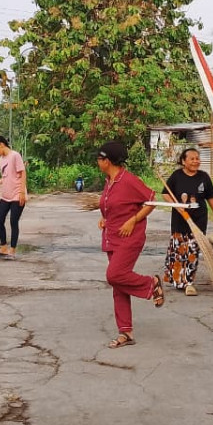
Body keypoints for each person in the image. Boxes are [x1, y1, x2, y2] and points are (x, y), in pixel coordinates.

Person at [96, 140, 164, 348]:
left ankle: (151, 284)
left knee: (114, 275)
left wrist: (133, 219)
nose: (97, 162)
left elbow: (150, 200)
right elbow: (114, 206)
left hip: (130, 237)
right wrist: (105, 219)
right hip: (112, 236)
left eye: (99, 159)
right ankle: (126, 332)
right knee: (119, 284)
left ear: (107, 160)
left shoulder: (129, 180)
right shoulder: (109, 181)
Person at [162, 147, 213, 296]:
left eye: (197, 158)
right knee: (179, 250)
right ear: (184, 161)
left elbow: (211, 198)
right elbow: (165, 193)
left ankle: (189, 282)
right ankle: (179, 280)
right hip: (180, 219)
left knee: (193, 250)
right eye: (192, 158)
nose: (196, 161)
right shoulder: (177, 176)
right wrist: (177, 207)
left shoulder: (204, 177)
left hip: (198, 220)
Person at [0, 135, 26, 259]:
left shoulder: (15, 156)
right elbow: (6, 176)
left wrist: (22, 192)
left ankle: (12, 250)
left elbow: (22, 173)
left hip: (17, 195)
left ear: (2, 144)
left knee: (13, 221)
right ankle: (4, 247)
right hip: (6, 195)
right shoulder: (1, 159)